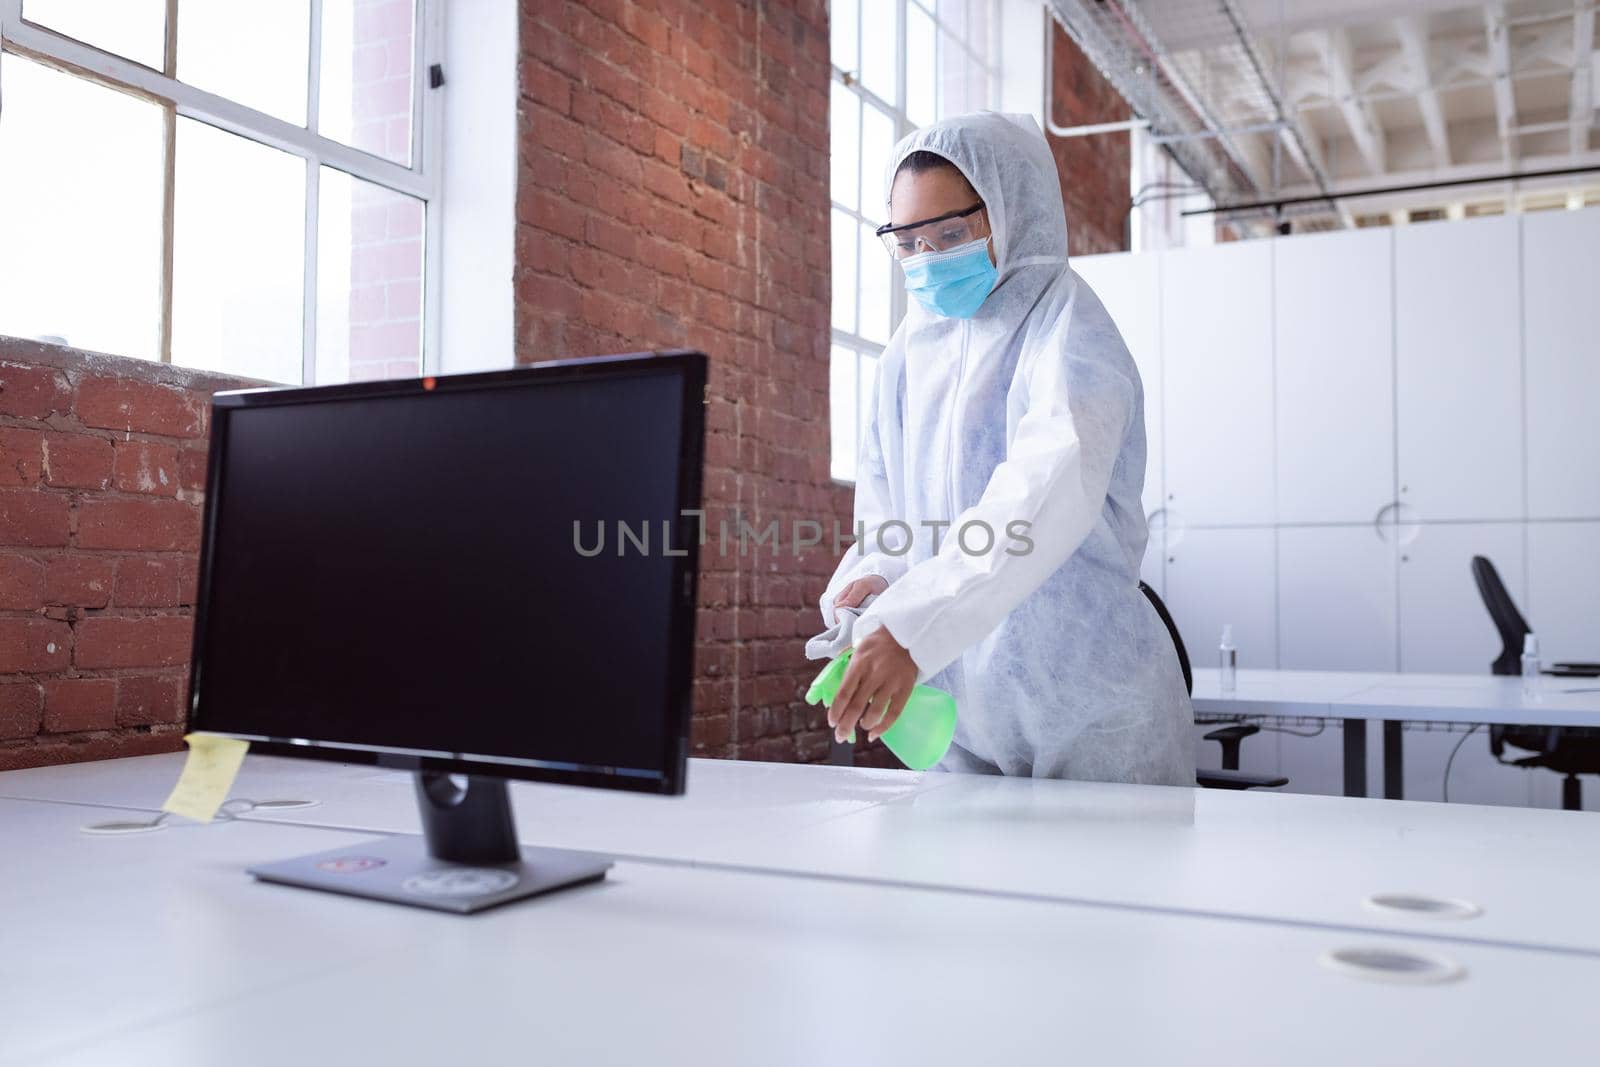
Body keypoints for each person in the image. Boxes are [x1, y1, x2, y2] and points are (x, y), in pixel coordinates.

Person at [817, 111, 1193, 786]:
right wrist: (878, 578)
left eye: (952, 233)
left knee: (1104, 893)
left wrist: (911, 627)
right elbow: (890, 513)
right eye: (908, 241)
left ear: (1012, 212)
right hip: (962, 723)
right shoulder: (906, 355)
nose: (928, 259)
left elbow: (1036, 499)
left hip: (1092, 718)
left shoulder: (1070, 331)